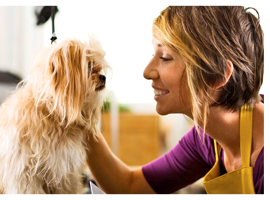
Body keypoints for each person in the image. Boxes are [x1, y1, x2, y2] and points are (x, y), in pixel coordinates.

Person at [86, 4, 265, 196]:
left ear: (217, 75)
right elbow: (129, 187)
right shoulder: (206, 139)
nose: (147, 72)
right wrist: (81, 119)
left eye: (165, 57)